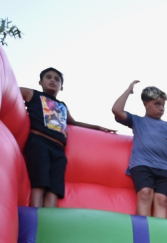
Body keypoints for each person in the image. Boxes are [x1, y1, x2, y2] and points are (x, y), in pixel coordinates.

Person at [21, 67, 114, 208]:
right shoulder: (32, 94)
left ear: (61, 87)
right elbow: (10, 88)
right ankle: (36, 219)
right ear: (40, 82)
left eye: (57, 79)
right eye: (48, 77)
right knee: (39, 183)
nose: (52, 80)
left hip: (58, 150)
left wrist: (97, 127)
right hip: (39, 143)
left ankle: (49, 222)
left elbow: (74, 122)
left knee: (54, 189)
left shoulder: (62, 106)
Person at [111, 81, 167, 219]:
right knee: (145, 193)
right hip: (142, 165)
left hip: (163, 168)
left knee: (162, 200)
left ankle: (159, 235)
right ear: (145, 104)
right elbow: (116, 110)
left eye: (163, 105)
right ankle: (142, 232)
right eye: (157, 104)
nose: (161, 108)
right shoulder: (137, 121)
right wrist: (128, 90)